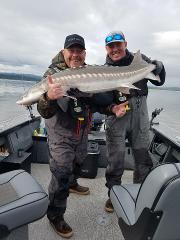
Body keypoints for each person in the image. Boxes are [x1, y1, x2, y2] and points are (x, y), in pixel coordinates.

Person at [37, 34, 126, 238]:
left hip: (82, 131)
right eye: (72, 50)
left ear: (84, 53)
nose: (76, 54)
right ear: (64, 52)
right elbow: (43, 110)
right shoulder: (53, 74)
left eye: (79, 51)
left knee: (78, 163)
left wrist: (113, 108)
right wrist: (48, 97)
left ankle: (73, 183)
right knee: (60, 174)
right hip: (61, 133)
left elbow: (96, 102)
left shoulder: (88, 72)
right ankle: (55, 216)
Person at [103, 31, 166, 213]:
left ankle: (140, 193)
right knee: (115, 159)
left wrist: (160, 67)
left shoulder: (139, 59)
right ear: (106, 48)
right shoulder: (104, 68)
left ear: (125, 44)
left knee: (142, 157)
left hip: (140, 112)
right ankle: (113, 195)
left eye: (118, 45)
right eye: (111, 46)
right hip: (117, 114)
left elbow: (159, 81)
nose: (115, 49)